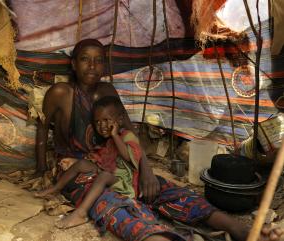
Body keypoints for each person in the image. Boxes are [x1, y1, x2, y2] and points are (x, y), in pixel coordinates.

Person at [36, 38, 283, 241]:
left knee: (166, 190)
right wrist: (41, 171)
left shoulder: (107, 91)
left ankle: (238, 229)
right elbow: (41, 128)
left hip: (117, 163)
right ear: (73, 64)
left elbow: (129, 132)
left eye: (98, 60)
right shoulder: (60, 93)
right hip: (80, 170)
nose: (92, 66)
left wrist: (146, 171)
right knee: (110, 203)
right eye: (85, 59)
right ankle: (156, 237)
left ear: (105, 66)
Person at [36, 96, 142, 229]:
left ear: (119, 120)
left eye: (106, 120)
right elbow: (98, 159)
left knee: (103, 176)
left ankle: (81, 213)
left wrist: (115, 136)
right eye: (97, 122)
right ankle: (56, 188)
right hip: (109, 173)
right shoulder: (108, 141)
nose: (101, 126)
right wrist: (74, 162)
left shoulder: (128, 136)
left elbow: (128, 156)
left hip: (123, 182)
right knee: (81, 164)